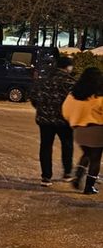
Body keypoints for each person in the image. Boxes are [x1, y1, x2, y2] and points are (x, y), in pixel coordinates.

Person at [30, 56, 76, 186]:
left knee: (45, 146)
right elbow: (75, 100)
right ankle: (67, 172)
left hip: (44, 119)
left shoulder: (43, 80)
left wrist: (41, 109)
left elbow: (33, 96)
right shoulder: (69, 81)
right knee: (67, 145)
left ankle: (46, 177)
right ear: (67, 67)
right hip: (63, 120)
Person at [62, 67, 103, 195]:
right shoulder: (99, 94)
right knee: (95, 159)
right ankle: (89, 187)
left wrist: (74, 120)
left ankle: (79, 175)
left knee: (87, 154)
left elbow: (66, 110)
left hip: (79, 130)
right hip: (97, 129)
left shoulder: (74, 93)